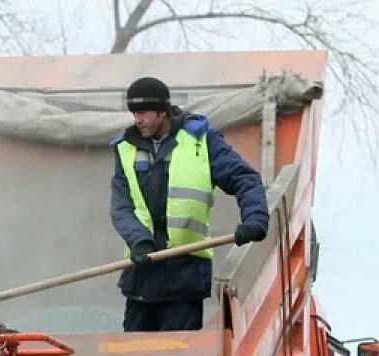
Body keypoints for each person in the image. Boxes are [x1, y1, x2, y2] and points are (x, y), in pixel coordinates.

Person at [110, 75, 271, 332]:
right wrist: (138, 240)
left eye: (142, 113)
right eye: (133, 113)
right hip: (141, 277)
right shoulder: (125, 149)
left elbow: (244, 179)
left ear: (163, 111)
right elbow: (121, 207)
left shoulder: (201, 140)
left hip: (184, 279)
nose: (137, 120)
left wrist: (255, 219)